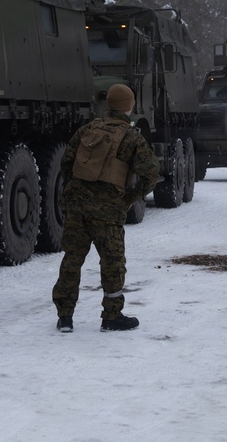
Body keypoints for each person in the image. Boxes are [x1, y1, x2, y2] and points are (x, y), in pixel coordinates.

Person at [52, 83, 160, 333]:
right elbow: (151, 174)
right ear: (129, 106)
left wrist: (75, 194)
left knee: (72, 259)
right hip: (108, 210)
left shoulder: (87, 129)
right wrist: (130, 198)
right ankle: (112, 316)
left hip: (76, 207)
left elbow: (66, 164)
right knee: (112, 262)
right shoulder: (132, 137)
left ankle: (65, 316)